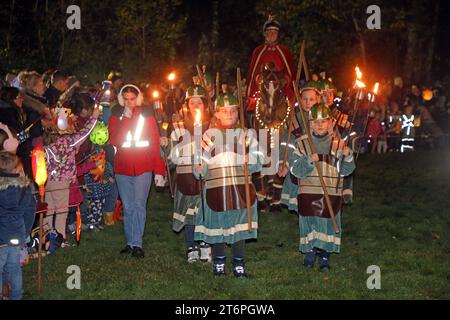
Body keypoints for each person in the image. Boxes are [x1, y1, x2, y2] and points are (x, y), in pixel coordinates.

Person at [193, 93, 264, 278]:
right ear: (216, 114)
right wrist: (200, 167)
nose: (229, 114)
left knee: (239, 227)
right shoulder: (209, 136)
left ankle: (239, 264)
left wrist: (251, 159)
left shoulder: (246, 135)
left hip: (240, 188)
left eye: (233, 110)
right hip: (216, 188)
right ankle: (219, 263)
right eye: (224, 111)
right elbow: (199, 164)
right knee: (217, 228)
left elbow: (260, 158)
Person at [288, 103, 355, 271]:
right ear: (310, 123)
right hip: (308, 192)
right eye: (315, 121)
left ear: (330, 123)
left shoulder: (338, 144)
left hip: (330, 192)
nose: (319, 125)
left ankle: (325, 254)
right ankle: (310, 251)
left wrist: (347, 157)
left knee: (327, 223)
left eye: (323, 121)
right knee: (309, 222)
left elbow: (347, 171)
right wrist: (309, 160)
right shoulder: (302, 144)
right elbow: (295, 169)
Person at [108, 84, 166, 258]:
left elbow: (154, 143)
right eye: (125, 99)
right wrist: (125, 119)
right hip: (123, 168)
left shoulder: (146, 115)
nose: (129, 102)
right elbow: (115, 140)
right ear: (121, 99)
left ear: (138, 98)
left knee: (139, 205)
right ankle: (130, 242)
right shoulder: (116, 116)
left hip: (143, 166)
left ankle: (137, 243)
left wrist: (159, 170)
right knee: (128, 206)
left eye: (132, 98)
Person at [43, 106, 99, 247]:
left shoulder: (49, 142)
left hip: (48, 181)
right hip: (61, 182)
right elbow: (86, 132)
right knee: (62, 211)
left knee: (49, 210)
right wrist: (94, 117)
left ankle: (45, 237)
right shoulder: (68, 141)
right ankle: (60, 239)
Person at [170, 85, 212, 263]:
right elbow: (172, 155)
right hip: (186, 176)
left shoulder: (213, 126)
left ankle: (204, 243)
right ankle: (191, 246)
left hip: (206, 175)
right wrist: (169, 144)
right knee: (189, 214)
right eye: (192, 102)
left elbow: (217, 148)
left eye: (199, 103)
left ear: (205, 106)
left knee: (203, 211)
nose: (195, 106)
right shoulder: (178, 126)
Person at [0, 151, 36, 300]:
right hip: (17, 235)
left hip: (1, 237)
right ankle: (16, 295)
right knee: (14, 268)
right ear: (16, 169)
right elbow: (30, 212)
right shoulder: (25, 188)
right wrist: (25, 231)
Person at [245, 15, 295, 113]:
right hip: (262, 87)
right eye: (269, 32)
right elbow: (253, 72)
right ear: (265, 34)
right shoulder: (258, 51)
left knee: (292, 108)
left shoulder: (284, 50)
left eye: (274, 32)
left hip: (281, 87)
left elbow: (291, 71)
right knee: (253, 106)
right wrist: (258, 79)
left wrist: (286, 79)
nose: (272, 35)